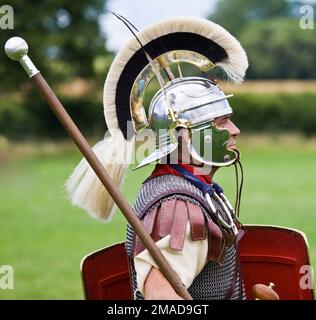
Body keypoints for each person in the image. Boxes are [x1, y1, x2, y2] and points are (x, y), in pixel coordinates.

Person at [66, 16, 248, 300]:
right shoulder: (178, 207)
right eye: (222, 122)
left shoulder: (184, 189)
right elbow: (161, 299)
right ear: (186, 135)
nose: (235, 131)